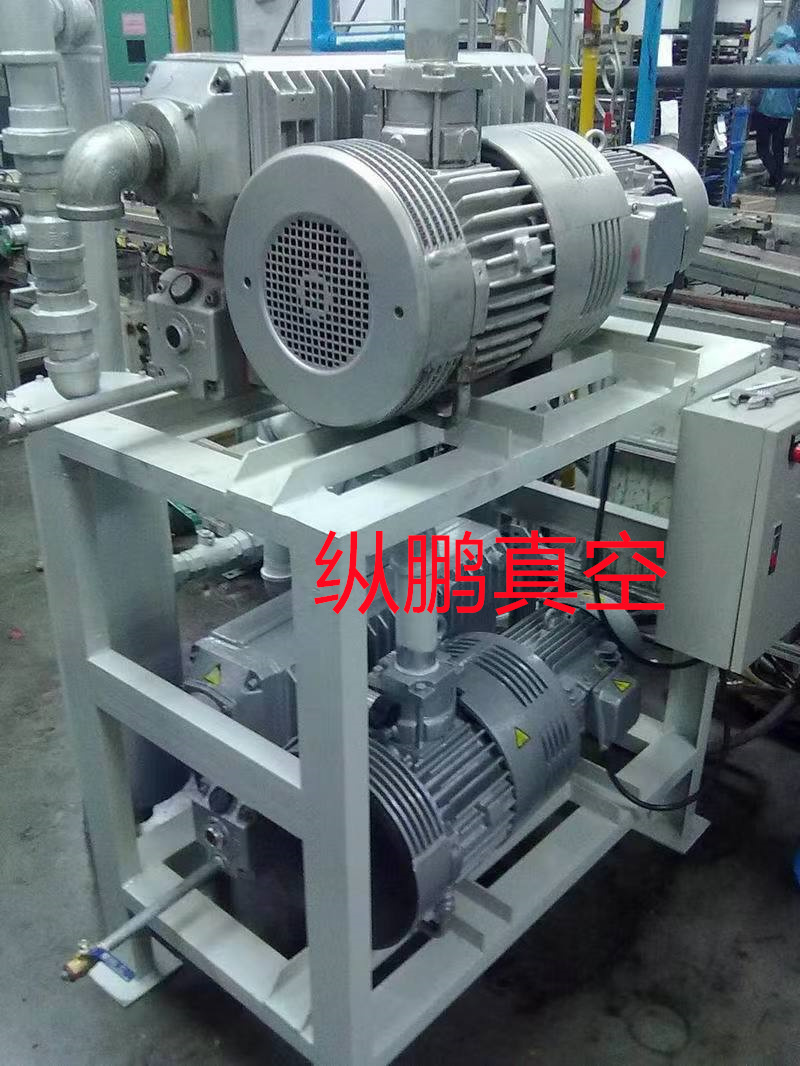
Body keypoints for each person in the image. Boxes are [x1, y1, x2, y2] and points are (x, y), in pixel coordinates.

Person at [754, 24, 800, 189]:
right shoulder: (797, 59)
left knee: (762, 147)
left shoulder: (772, 56)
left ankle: (776, 176)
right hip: (786, 111)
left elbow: (755, 75)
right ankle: (776, 181)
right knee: (778, 146)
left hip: (768, 109)